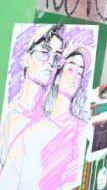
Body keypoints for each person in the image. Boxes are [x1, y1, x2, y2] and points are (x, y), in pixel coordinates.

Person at [0, 25, 65, 169]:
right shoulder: (8, 116)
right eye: (44, 52)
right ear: (26, 59)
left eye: (56, 57)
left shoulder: (51, 127)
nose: (51, 62)